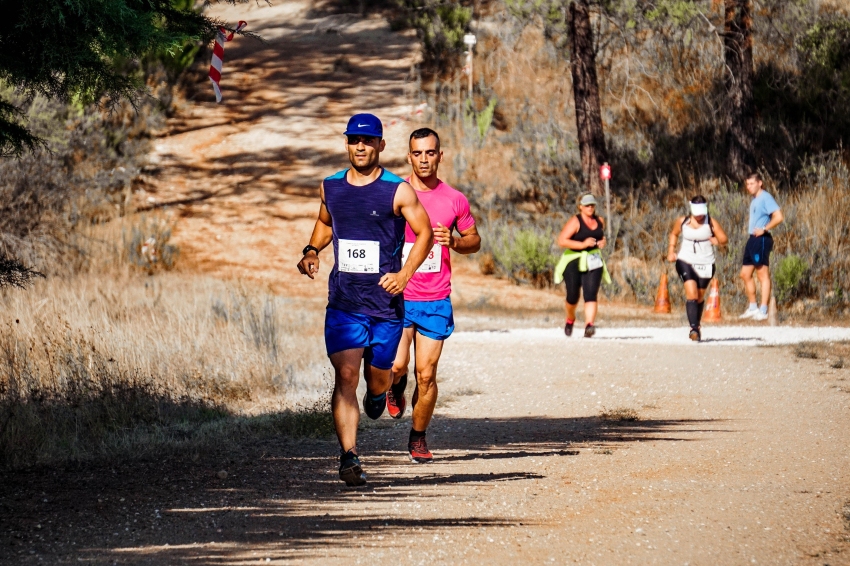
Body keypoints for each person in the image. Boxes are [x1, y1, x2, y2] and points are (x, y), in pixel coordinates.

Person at [296, 113, 433, 487]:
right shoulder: (331, 187)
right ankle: (349, 457)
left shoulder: (398, 191)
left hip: (385, 308)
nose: (361, 146)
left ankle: (379, 394)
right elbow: (326, 222)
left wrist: (404, 275)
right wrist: (312, 250)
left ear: (381, 146)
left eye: (368, 140)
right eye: (355, 140)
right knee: (345, 375)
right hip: (344, 303)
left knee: (376, 380)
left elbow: (425, 235)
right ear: (346, 144)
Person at [385, 128, 480, 464]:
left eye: (429, 152)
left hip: (435, 299)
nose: (423, 159)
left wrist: (454, 242)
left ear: (440, 155)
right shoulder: (396, 194)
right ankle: (395, 385)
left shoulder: (454, 199)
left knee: (426, 375)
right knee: (397, 364)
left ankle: (418, 437)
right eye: (417, 153)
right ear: (408, 156)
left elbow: (474, 240)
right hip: (399, 295)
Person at [666, 195, 729, 341]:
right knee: (692, 294)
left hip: (706, 263)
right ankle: (693, 329)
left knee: (699, 297)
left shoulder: (711, 222)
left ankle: (697, 324)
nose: (700, 215)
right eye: (697, 211)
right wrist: (671, 251)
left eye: (702, 212)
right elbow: (674, 234)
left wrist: (717, 241)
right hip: (685, 260)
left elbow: (724, 239)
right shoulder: (683, 221)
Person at [554, 193, 611, 338]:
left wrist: (602, 242)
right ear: (580, 207)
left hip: (593, 260)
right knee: (572, 296)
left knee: (591, 293)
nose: (590, 207)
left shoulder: (600, 220)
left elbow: (601, 236)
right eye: (587, 205)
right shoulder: (575, 221)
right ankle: (570, 318)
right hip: (574, 259)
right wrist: (582, 244)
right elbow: (562, 241)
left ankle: (589, 325)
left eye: (592, 205)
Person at [739, 172, 784, 321]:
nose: (749, 187)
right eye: (747, 184)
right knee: (745, 274)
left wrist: (765, 228)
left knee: (762, 274)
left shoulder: (766, 197)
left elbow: (778, 216)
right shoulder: (754, 200)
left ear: (760, 183)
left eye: (751, 184)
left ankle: (763, 310)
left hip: (762, 239)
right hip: (752, 238)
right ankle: (753, 307)